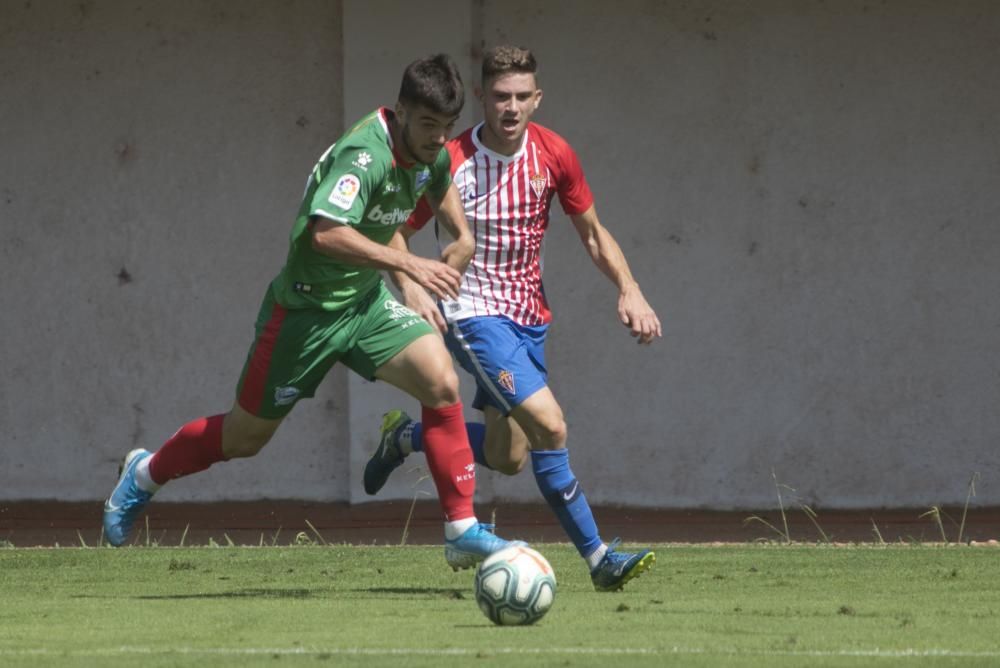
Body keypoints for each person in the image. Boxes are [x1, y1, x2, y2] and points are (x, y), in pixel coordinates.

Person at [103, 53, 524, 570]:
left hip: (364, 305)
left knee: (441, 381)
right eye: (428, 125)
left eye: (447, 127)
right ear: (400, 112)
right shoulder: (364, 156)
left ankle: (461, 530)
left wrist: (456, 253)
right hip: (304, 313)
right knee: (244, 438)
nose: (439, 138)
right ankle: (144, 473)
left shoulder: (433, 154)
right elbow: (327, 234)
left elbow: (458, 229)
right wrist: (408, 267)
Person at [363, 46, 662, 591]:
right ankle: (600, 561)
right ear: (482, 97)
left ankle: (405, 438)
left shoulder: (554, 154)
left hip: (529, 319)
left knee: (510, 456)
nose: (512, 107)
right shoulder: (447, 159)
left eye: (523, 97)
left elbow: (593, 234)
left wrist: (630, 288)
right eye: (501, 96)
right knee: (550, 424)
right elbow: (393, 229)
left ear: (537, 99)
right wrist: (411, 285)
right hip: (470, 314)